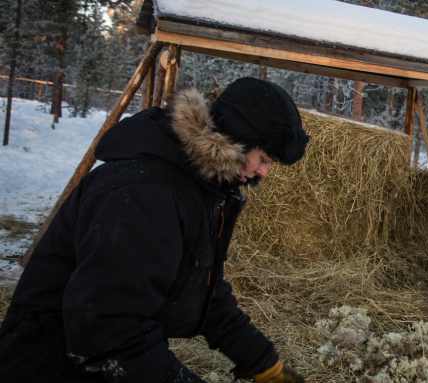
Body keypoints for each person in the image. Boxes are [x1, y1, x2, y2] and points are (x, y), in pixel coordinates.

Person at [0, 77, 309, 383]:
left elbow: (204, 291)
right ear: (238, 138)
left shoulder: (199, 187)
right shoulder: (145, 193)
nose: (264, 172)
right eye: (264, 159)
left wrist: (264, 363)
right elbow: (108, 330)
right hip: (50, 364)